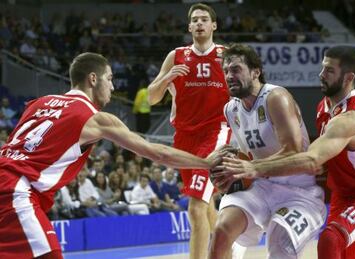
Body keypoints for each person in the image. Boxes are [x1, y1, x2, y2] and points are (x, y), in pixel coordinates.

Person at [0, 52, 229, 259]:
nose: (112, 86)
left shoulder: (37, 104)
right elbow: (156, 153)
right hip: (16, 192)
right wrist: (205, 162)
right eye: (109, 79)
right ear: (93, 79)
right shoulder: (96, 119)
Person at [221, 46, 355, 259]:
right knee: (336, 249)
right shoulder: (323, 107)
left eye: (329, 71)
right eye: (322, 68)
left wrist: (252, 168)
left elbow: (311, 158)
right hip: (342, 195)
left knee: (331, 239)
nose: (321, 75)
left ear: (348, 78)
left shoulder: (351, 118)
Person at [208, 43, 326, 259]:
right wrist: (229, 160)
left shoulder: (275, 97)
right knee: (221, 231)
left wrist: (249, 168)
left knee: (279, 248)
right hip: (260, 186)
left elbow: (294, 152)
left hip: (298, 192)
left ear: (256, 72)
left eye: (235, 69)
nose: (228, 76)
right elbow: (246, 155)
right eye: (225, 71)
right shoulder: (231, 109)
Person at [147, 3, 234, 259]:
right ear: (189, 27)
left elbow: (245, 93)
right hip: (184, 138)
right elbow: (152, 98)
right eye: (194, 20)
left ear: (213, 25)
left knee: (196, 206)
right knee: (206, 207)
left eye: (204, 19)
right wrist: (166, 78)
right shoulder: (176, 56)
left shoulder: (226, 55)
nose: (199, 23)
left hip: (216, 133)